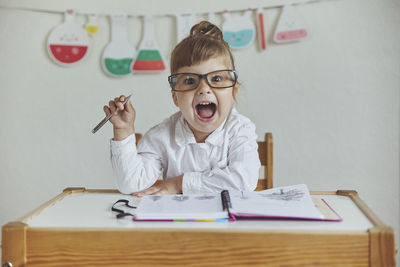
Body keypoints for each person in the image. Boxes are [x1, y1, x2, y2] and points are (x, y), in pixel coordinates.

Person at [103, 21, 260, 196]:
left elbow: (244, 181)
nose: (204, 89)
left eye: (216, 79)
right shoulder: (162, 136)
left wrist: (178, 184)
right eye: (190, 81)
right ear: (175, 98)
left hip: (227, 222)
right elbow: (130, 184)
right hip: (177, 222)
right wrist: (123, 130)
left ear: (233, 92)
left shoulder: (240, 129)